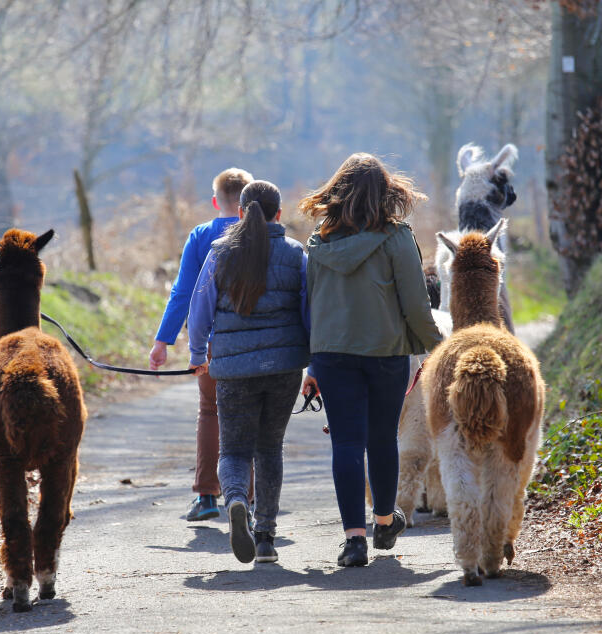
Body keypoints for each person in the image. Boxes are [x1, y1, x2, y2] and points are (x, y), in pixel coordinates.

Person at [299, 153, 444, 568]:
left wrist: (313, 364)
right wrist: (432, 345)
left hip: (332, 355)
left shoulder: (320, 242)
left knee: (346, 443)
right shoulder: (398, 237)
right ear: (387, 192)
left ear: (337, 191)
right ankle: (384, 521)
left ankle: (354, 540)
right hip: (386, 354)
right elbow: (416, 304)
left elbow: (313, 306)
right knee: (382, 439)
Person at [187, 180, 309, 564]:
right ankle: (266, 538)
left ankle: (237, 499)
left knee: (235, 448)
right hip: (283, 369)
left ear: (239, 213)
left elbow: (199, 307)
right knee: (269, 448)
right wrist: (314, 361)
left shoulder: (220, 252)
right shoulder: (295, 254)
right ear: (279, 214)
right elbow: (310, 312)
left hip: (233, 371)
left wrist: (197, 353)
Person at [150, 168, 254, 522]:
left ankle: (207, 497)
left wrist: (163, 341)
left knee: (211, 412)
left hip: (213, 345)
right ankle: (247, 499)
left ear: (215, 201)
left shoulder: (201, 236)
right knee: (250, 417)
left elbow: (184, 293)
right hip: (257, 345)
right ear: (248, 200)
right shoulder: (261, 234)